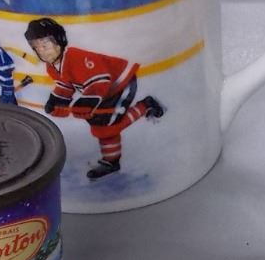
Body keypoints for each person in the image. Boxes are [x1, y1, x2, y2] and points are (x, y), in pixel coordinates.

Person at [23, 17, 164, 181]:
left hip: (119, 83)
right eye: (37, 47)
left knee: (107, 126)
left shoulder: (75, 57)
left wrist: (86, 102)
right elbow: (66, 85)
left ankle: (142, 110)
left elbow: (100, 80)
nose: (41, 51)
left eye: (45, 45)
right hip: (102, 92)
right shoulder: (52, 67)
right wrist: (57, 101)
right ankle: (145, 107)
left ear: (59, 41)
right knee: (100, 123)